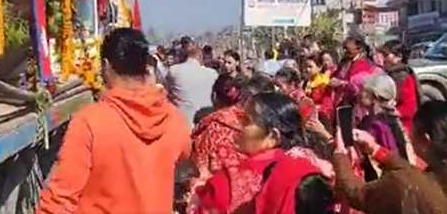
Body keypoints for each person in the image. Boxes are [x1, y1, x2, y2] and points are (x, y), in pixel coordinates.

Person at [36, 28, 190, 214]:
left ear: (106, 66)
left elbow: (60, 200)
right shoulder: (174, 119)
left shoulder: (89, 122)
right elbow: (184, 161)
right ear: (145, 66)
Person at [190, 93, 331, 214]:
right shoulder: (315, 167)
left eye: (246, 121)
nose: (238, 126)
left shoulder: (227, 183)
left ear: (273, 136)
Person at [332, 101, 447, 213]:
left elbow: (356, 193)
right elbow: (413, 173)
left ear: (425, 140)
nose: (408, 134)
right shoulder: (438, 172)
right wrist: (375, 149)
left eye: (413, 130)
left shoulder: (405, 185)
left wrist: (340, 155)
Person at [357, 73, 414, 179]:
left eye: (364, 91)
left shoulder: (379, 126)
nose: (359, 93)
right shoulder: (387, 118)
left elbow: (392, 158)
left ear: (375, 96)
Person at [168, 44, 219, 127]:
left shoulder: (173, 70)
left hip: (182, 123)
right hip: (205, 123)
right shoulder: (212, 73)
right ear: (200, 57)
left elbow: (168, 90)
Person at [376, 40, 420, 133]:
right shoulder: (390, 74)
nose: (382, 58)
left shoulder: (403, 77)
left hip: (402, 127)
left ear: (399, 57)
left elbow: (410, 108)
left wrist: (389, 112)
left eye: (385, 55)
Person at [331, 34, 379, 110]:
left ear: (359, 48)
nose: (344, 51)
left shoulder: (365, 64)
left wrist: (342, 83)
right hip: (341, 104)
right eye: (344, 48)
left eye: (347, 48)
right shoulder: (344, 62)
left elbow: (360, 85)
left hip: (356, 105)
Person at [304, 53, 334, 125]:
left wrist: (315, 108)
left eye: (310, 67)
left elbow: (327, 105)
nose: (307, 69)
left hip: (322, 119)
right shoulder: (307, 82)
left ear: (320, 67)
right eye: (305, 67)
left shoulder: (324, 83)